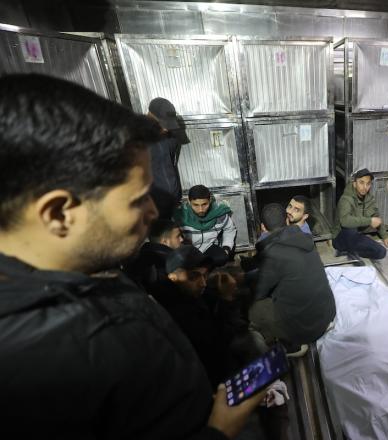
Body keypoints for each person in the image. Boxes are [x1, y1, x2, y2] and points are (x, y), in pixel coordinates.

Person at [0, 73, 263, 439]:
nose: (152, 212)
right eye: (138, 200)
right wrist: (219, 431)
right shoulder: (46, 366)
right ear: (59, 213)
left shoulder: (89, 273)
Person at [250, 203, 336, 354]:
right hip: (327, 315)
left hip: (305, 331)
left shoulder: (272, 254)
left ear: (263, 227)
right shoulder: (305, 238)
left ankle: (293, 345)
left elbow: (260, 293)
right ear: (287, 220)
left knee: (254, 307)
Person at [153, 245, 238, 388]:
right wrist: (226, 299)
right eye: (193, 277)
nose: (203, 283)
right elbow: (218, 344)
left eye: (205, 275)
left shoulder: (189, 293)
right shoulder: (176, 311)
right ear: (173, 277)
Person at [331, 168, 388, 259]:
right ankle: (344, 248)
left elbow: (376, 217)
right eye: (361, 183)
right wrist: (369, 221)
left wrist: (385, 236)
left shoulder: (369, 199)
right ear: (355, 184)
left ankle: (348, 250)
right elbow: (345, 221)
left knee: (381, 252)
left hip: (357, 236)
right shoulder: (346, 199)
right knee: (351, 229)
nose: (365, 187)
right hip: (341, 237)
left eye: (368, 184)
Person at [175, 184, 237, 268]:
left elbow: (229, 229)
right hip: (189, 250)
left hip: (208, 246)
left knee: (222, 258)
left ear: (210, 200)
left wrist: (226, 247)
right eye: (196, 205)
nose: (200, 209)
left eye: (204, 204)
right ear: (189, 202)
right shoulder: (180, 216)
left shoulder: (219, 213)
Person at [147, 97, 184, 220]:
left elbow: (171, 164)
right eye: (162, 124)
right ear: (150, 116)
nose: (166, 129)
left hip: (173, 202)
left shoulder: (171, 138)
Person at [124, 218, 183, 290]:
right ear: (165, 241)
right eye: (178, 236)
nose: (181, 239)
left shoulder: (141, 257)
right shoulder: (168, 264)